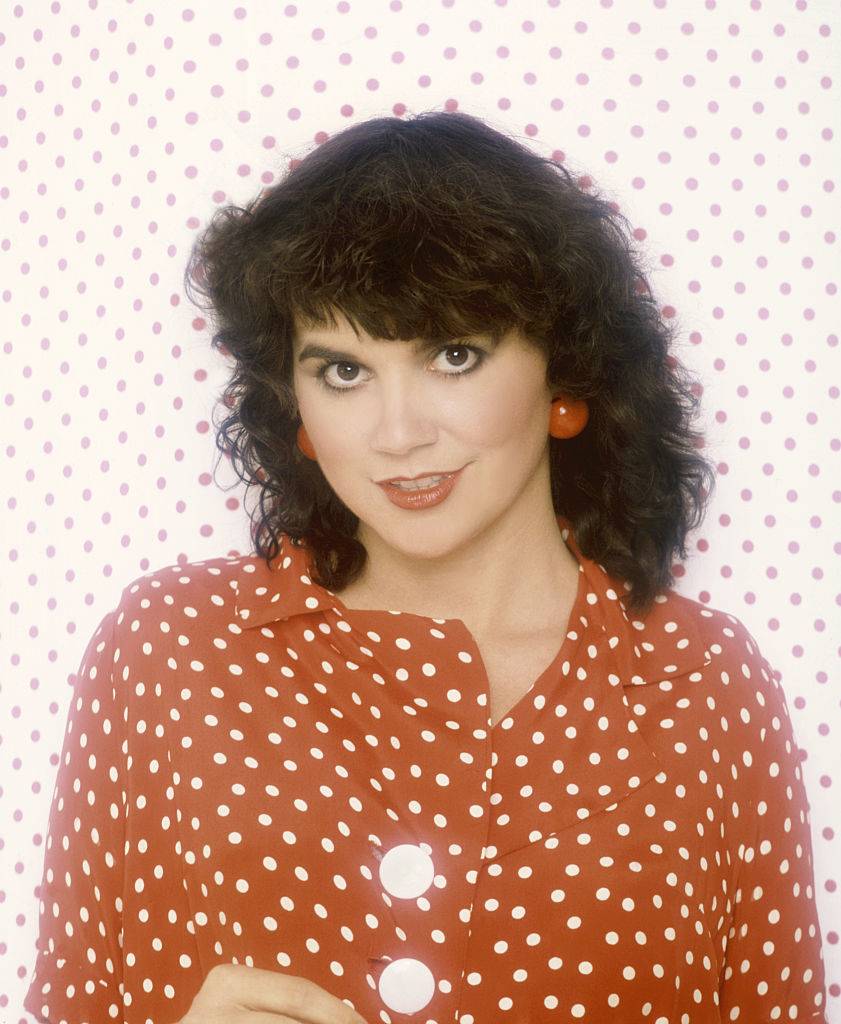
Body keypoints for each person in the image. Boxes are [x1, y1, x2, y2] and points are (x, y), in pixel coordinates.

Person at [24, 111, 827, 1023]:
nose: (398, 434)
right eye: (341, 372)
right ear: (293, 397)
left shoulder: (700, 680)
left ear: (563, 373)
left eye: (454, 355)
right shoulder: (170, 648)